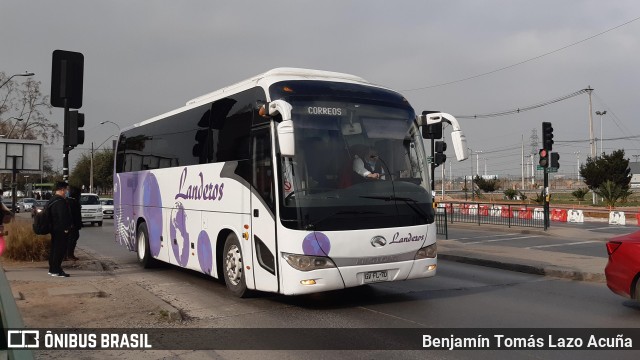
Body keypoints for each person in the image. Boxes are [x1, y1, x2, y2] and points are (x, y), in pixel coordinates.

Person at [47, 181, 73, 277]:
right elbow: (63, 217)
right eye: (66, 189)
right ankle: (56, 270)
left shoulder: (52, 199)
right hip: (60, 230)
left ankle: (52, 269)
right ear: (62, 190)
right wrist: (66, 229)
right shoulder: (60, 202)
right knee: (59, 250)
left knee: (54, 249)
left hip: (54, 229)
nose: (67, 191)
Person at [66, 185, 82, 261]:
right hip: (72, 225)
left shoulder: (73, 201)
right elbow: (71, 214)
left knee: (74, 237)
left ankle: (70, 254)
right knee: (72, 238)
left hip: (75, 224)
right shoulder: (71, 202)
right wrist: (71, 224)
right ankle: (69, 254)